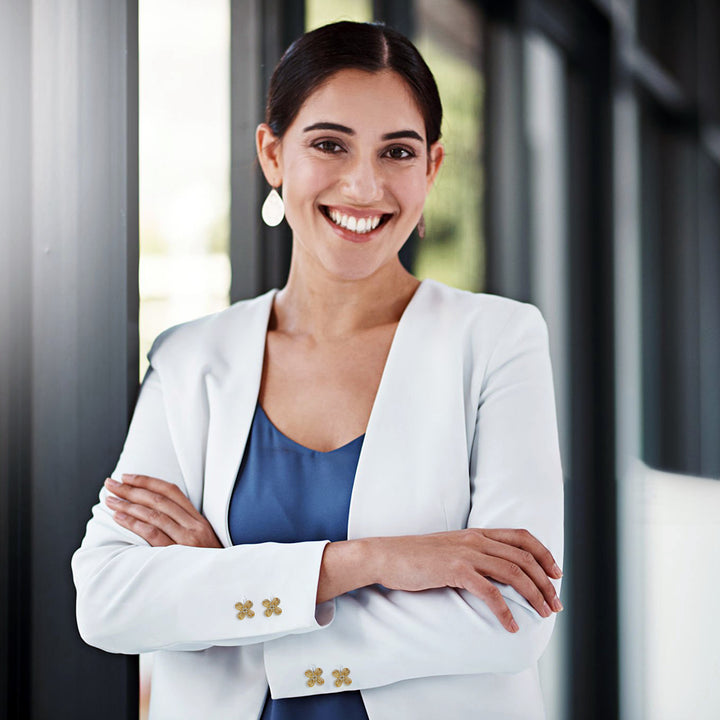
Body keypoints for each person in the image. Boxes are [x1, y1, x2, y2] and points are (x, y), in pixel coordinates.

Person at [72, 20, 564, 720]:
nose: (364, 184)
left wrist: (223, 591)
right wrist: (366, 562)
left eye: (398, 151)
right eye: (329, 144)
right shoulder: (190, 361)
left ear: (431, 169)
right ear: (273, 154)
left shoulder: (496, 342)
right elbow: (109, 601)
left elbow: (513, 615)